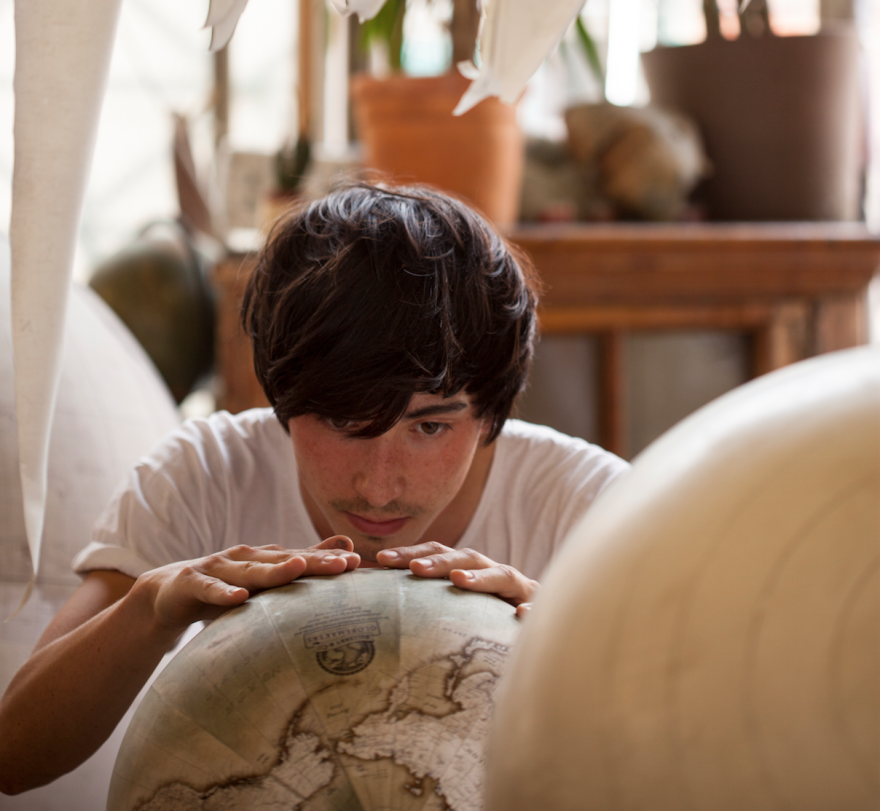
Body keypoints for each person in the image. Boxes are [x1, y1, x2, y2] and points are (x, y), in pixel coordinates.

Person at [0, 184, 628, 794]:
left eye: (429, 427)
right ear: (282, 397)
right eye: (342, 423)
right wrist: (151, 610)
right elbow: (13, 755)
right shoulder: (206, 474)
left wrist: (571, 647)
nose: (377, 487)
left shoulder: (596, 510)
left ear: (491, 415)